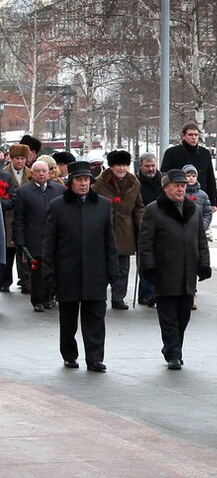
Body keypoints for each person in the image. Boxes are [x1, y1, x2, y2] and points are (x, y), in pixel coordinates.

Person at [42, 161, 119, 372]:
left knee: (95, 317)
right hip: (68, 272)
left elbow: (109, 241)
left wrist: (113, 270)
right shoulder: (57, 206)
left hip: (96, 271)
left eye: (86, 179)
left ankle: (94, 358)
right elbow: (49, 242)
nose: (84, 184)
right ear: (70, 182)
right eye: (79, 179)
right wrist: (49, 272)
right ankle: (69, 354)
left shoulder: (103, 205)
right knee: (68, 319)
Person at [138, 169, 211, 370]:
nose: (180, 189)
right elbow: (145, 243)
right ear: (166, 187)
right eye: (176, 185)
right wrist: (149, 267)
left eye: (183, 186)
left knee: (183, 317)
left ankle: (173, 347)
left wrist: (204, 264)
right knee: (168, 317)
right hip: (165, 273)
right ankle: (174, 353)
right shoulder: (154, 210)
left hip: (187, 273)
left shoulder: (193, 209)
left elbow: (201, 241)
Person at [92, 150, 145, 310]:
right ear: (112, 166)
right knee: (103, 266)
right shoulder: (99, 183)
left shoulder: (134, 183)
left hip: (125, 230)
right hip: (104, 229)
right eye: (118, 166)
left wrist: (142, 225)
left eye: (124, 165)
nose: (121, 169)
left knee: (123, 267)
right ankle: (98, 295)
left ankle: (118, 298)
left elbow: (138, 206)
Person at [13, 161, 64, 312]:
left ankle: (49, 297)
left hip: (55, 237)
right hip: (34, 237)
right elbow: (18, 219)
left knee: (53, 268)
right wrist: (20, 240)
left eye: (44, 171)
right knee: (37, 271)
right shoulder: (24, 192)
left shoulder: (59, 190)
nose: (41, 174)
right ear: (32, 173)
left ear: (49, 173)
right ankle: (38, 300)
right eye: (38, 171)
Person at [160, 122, 217, 211]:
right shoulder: (172, 153)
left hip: (200, 199)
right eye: (190, 135)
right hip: (176, 199)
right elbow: (165, 178)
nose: (194, 137)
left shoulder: (205, 153)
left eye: (196, 135)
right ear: (183, 136)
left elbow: (210, 178)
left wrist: (214, 202)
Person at [4, 144, 31, 294]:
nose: (19, 162)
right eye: (16, 158)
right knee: (8, 251)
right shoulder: (4, 173)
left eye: (22, 158)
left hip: (25, 217)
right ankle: (6, 280)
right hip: (9, 217)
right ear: (11, 159)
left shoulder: (30, 173)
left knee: (23, 250)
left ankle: (26, 280)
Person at [136, 153, 162, 307]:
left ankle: (155, 292)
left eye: (153, 165)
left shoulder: (163, 180)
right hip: (142, 225)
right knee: (145, 260)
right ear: (141, 166)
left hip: (161, 225)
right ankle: (146, 294)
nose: (150, 169)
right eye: (147, 166)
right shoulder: (136, 182)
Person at [0, 161, 16, 293]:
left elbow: (12, 200)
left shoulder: (5, 177)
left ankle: (4, 281)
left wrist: (0, 203)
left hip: (3, 222)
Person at [182, 164, 212, 230]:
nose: (191, 178)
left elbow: (208, 213)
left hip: (198, 230)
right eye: (188, 176)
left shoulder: (203, 195)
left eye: (193, 176)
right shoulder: (180, 193)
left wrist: (203, 226)